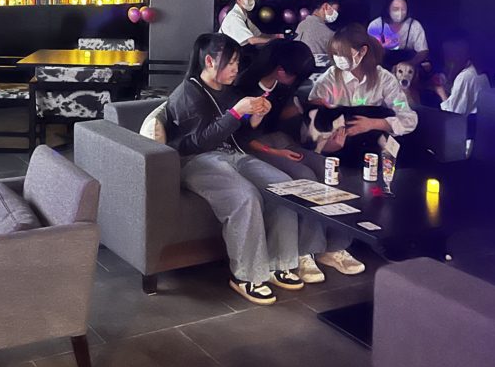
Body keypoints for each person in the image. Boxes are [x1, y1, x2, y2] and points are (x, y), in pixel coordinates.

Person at [165, 33, 304, 305]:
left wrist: (256, 117)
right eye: (230, 63)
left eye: (237, 63)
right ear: (209, 61)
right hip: (196, 160)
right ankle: (246, 276)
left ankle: (280, 262)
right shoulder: (186, 93)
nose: (235, 69)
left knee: (284, 186)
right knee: (245, 196)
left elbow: (238, 136)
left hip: (233, 155)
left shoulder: (229, 90)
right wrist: (236, 113)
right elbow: (197, 143)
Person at [235, 39, 365, 281]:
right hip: (254, 147)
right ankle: (306, 251)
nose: (298, 81)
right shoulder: (243, 87)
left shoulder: (284, 87)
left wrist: (307, 107)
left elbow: (279, 117)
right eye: (296, 75)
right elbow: (240, 137)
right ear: (281, 70)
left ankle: (335, 246)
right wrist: (276, 153)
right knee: (304, 178)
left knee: (328, 169)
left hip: (281, 140)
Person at [309, 24, 418, 162]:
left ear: (362, 51)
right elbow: (311, 119)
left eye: (343, 54)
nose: (339, 59)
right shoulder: (328, 79)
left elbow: (408, 119)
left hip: (373, 147)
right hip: (337, 148)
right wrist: (325, 145)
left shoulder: (384, 79)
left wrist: (373, 124)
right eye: (335, 54)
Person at [433, 30, 489, 119]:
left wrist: (440, 90)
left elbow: (452, 114)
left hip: (469, 124)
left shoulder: (465, 77)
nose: (448, 60)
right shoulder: (474, 69)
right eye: (446, 55)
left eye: (450, 55)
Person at [367, 0, 429, 70]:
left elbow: (423, 51)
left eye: (403, 9)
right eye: (395, 9)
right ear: (388, 9)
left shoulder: (414, 25)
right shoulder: (376, 25)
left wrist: (410, 64)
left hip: (407, 66)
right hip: (382, 65)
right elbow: (371, 50)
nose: (400, 12)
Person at [294, 0, 341, 68]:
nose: (337, 13)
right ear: (326, 6)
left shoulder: (301, 25)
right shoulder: (328, 33)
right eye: (336, 10)